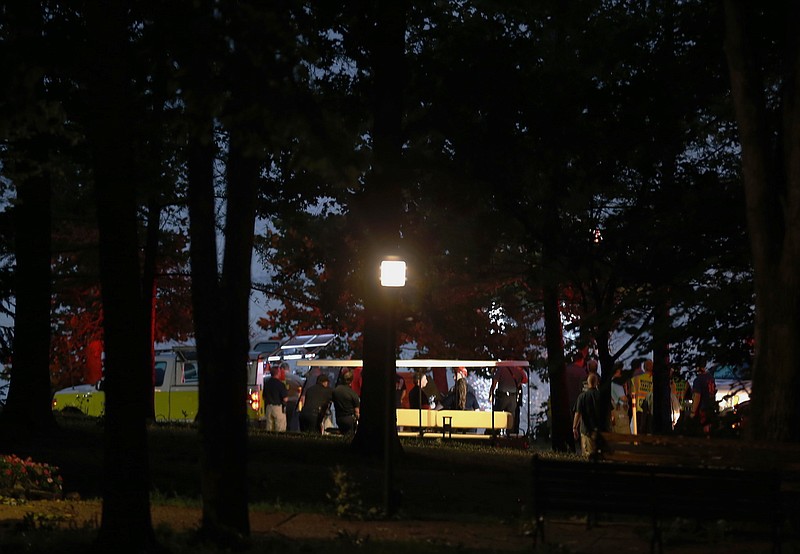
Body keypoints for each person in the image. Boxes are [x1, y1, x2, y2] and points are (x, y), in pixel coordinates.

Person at [490, 364, 525, 434]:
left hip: (502, 396)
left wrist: (491, 393)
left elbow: (494, 382)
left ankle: (496, 432)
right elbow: (521, 382)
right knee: (511, 417)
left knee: (497, 414)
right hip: (513, 397)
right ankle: (510, 434)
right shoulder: (518, 370)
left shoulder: (501, 369)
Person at [573, 372, 602, 456]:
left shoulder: (582, 397)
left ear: (588, 383)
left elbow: (578, 413)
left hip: (586, 431)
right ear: (597, 383)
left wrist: (574, 427)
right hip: (600, 431)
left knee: (587, 455)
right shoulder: (601, 396)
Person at [690, 359, 717, 436]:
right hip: (711, 407)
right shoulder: (711, 378)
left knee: (701, 430)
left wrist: (693, 411)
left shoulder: (698, 380)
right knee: (709, 428)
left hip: (702, 408)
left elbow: (697, 396)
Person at [332, 369, 360, 434]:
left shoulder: (336, 390)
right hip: (349, 419)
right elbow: (357, 412)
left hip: (338, 418)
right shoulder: (353, 394)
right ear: (351, 381)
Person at [630, 359, 654, 434]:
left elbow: (632, 394)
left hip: (639, 409)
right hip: (651, 410)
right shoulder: (655, 380)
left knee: (640, 432)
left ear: (644, 367)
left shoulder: (636, 379)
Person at [263, 364, 288, 432]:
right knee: (280, 428)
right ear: (278, 373)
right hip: (278, 408)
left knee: (269, 428)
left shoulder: (267, 383)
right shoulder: (280, 384)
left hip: (268, 408)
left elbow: (264, 396)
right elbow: (285, 398)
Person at [609, 362, 631, 434]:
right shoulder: (616, 383)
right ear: (618, 371)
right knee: (624, 434)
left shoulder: (611, 382)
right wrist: (629, 398)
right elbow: (623, 398)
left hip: (614, 410)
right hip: (620, 411)